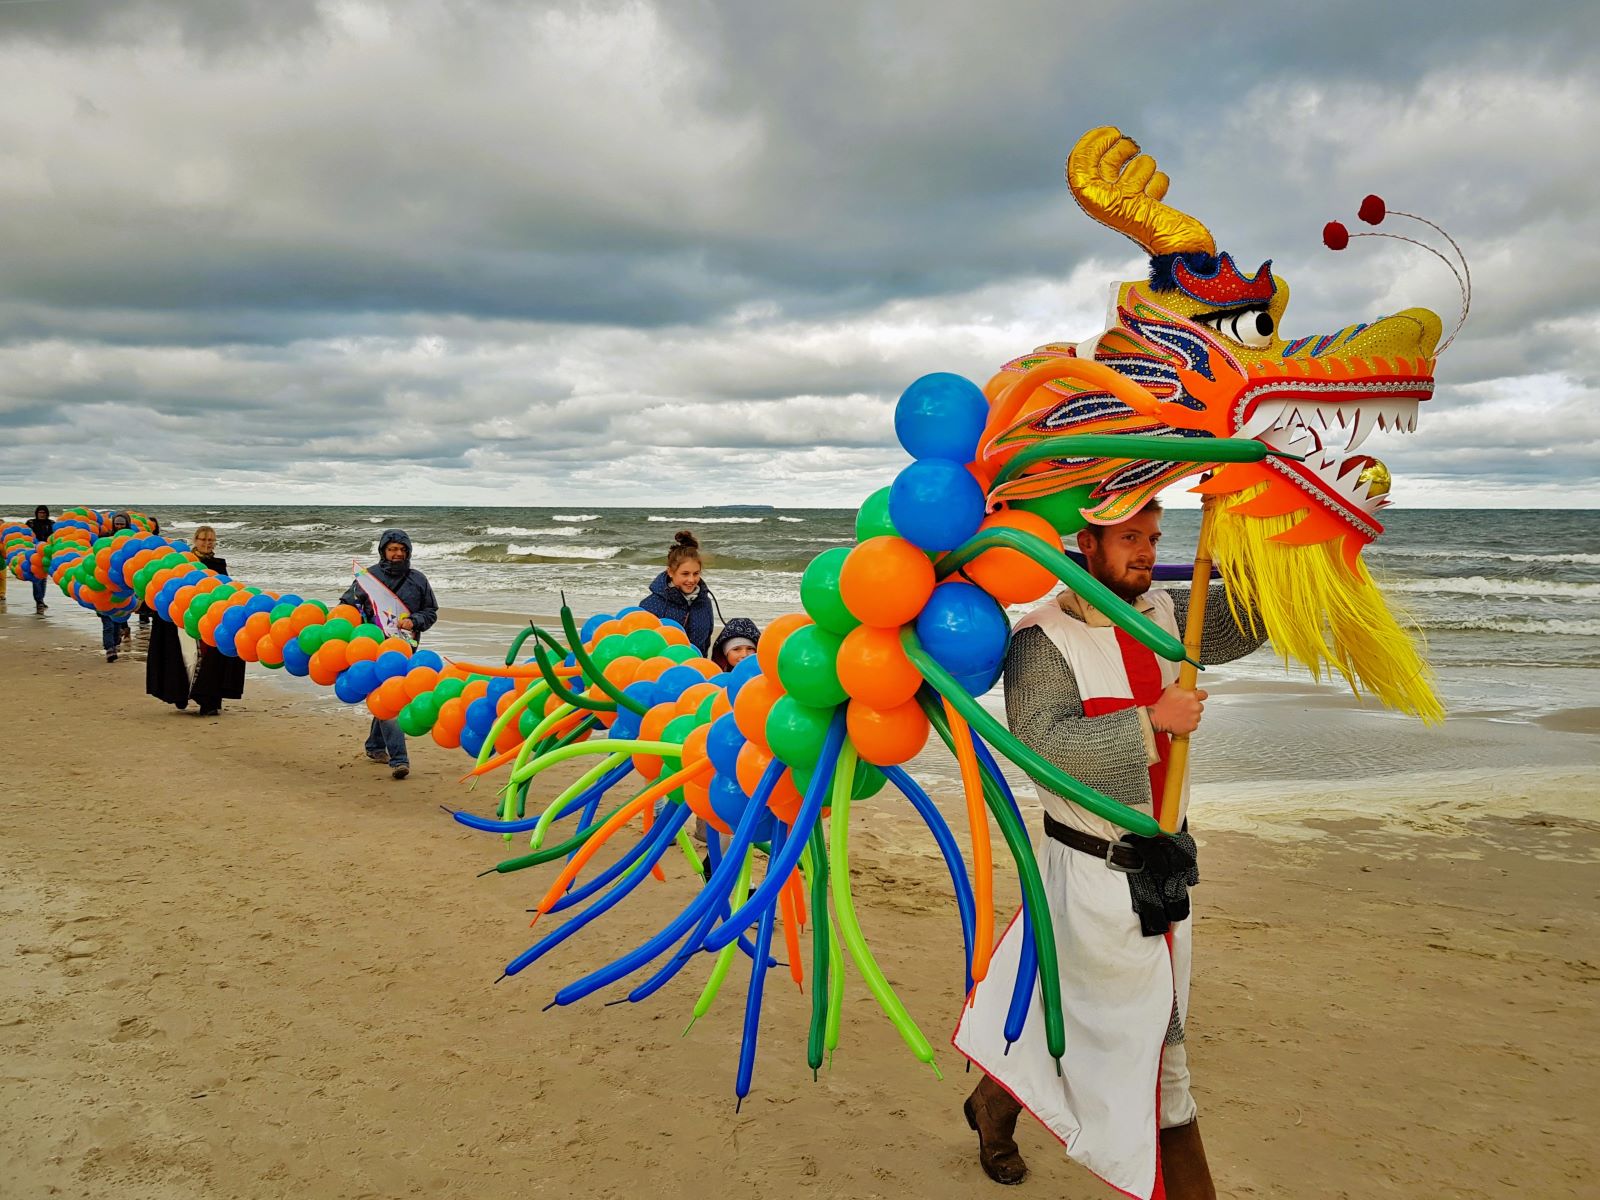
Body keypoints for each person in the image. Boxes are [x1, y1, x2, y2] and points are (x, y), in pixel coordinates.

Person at [953, 499, 1265, 1200]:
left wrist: (1304, 554)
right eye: (1130, 538)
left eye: (1153, 537)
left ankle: (992, 1108)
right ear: (1085, 544)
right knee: (1158, 1055)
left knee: (1057, 1013)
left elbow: (1241, 622)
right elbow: (1043, 747)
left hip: (1163, 870)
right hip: (1088, 876)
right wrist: (1152, 721)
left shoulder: (1160, 608)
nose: (1148, 552)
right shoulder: (1041, 640)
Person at [340, 528, 438, 780]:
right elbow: (346, 607)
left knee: (386, 697)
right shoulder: (369, 578)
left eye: (402, 549)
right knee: (390, 698)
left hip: (405, 647)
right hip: (373, 649)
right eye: (392, 549)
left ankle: (374, 746)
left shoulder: (418, 580)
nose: (397, 553)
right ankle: (399, 759)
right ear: (383, 550)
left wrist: (415, 620)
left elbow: (431, 611)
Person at [186, 525, 246, 717]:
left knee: (217, 656)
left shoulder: (219, 564)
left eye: (210, 540)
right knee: (196, 659)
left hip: (215, 617)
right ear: (195, 540)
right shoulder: (188, 563)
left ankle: (212, 700)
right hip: (192, 616)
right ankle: (200, 697)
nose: (207, 543)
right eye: (203, 539)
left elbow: (226, 588)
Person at [639, 530, 718, 655]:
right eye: (685, 574)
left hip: (695, 669)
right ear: (670, 572)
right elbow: (641, 647)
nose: (691, 580)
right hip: (661, 671)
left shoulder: (705, 602)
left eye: (696, 573)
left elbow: (705, 645)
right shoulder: (650, 605)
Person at [100, 512, 135, 661]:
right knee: (107, 619)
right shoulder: (106, 539)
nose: (119, 526)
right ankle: (109, 648)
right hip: (104, 583)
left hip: (123, 587)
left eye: (122, 524)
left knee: (117, 620)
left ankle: (114, 643)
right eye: (117, 523)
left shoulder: (131, 540)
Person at [25, 505, 53, 612]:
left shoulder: (51, 524)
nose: (42, 514)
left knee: (44, 578)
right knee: (36, 577)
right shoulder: (31, 523)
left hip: (47, 554)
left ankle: (41, 599)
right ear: (37, 513)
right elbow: (25, 535)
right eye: (40, 512)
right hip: (34, 553)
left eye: (44, 513)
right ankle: (39, 601)